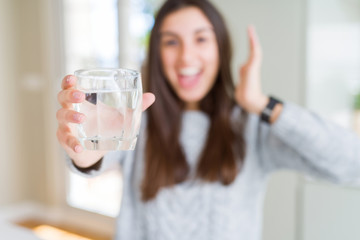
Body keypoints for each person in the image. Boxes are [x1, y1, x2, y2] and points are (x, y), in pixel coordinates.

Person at [56, 0, 360, 239]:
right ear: (157, 54)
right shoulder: (139, 121)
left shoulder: (253, 127)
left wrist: (264, 105)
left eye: (201, 39)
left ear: (221, 47)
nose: (186, 57)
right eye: (171, 42)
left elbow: (352, 163)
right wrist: (88, 150)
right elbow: (93, 161)